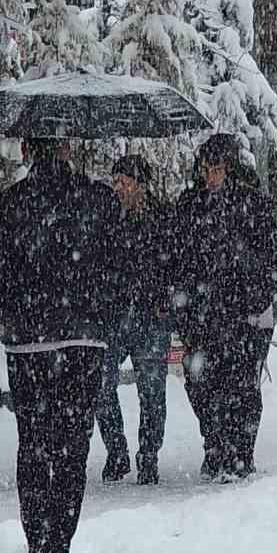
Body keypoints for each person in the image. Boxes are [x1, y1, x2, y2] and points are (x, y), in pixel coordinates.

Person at [0, 139, 117, 553]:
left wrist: (13, 307)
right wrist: (99, 309)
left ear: (25, 148)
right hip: (83, 341)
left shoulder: (7, 205)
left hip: (28, 344)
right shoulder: (98, 201)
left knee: (33, 445)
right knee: (73, 448)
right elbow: (123, 267)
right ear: (69, 147)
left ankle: (37, 544)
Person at [172, 134, 275, 481]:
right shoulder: (191, 205)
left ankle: (239, 452)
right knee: (202, 384)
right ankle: (216, 444)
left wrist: (255, 299)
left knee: (241, 386)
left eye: (217, 169)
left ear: (229, 169)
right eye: (206, 169)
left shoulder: (251, 204)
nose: (210, 177)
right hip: (203, 315)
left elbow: (267, 258)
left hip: (240, 314)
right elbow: (179, 256)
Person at [96, 154, 175, 485]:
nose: (118, 187)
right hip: (114, 316)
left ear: (140, 184)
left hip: (150, 316)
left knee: (152, 391)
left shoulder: (162, 218)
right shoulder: (107, 218)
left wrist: (165, 299)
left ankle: (148, 455)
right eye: (115, 181)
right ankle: (117, 451)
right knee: (100, 383)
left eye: (124, 182)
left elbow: (174, 263)